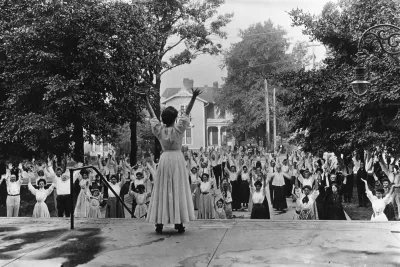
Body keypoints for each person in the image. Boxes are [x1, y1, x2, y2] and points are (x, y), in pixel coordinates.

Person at [142, 88, 200, 233]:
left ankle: (159, 222)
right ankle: (178, 222)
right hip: (177, 158)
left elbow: (152, 116)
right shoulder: (179, 129)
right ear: (175, 119)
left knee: (162, 188)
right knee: (177, 187)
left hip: (164, 158)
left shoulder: (159, 130)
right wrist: (193, 97)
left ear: (164, 118)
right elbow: (187, 113)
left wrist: (146, 100)